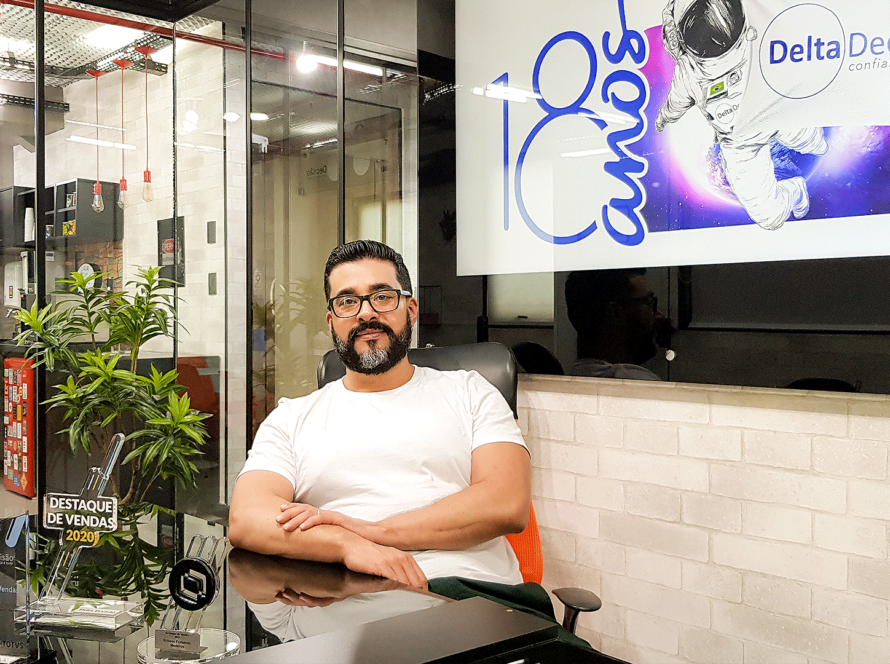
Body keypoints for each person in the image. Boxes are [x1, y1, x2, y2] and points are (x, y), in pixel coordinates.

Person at [228, 240, 532, 594]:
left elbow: (507, 503)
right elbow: (246, 517)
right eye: (347, 301)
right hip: (341, 595)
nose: (365, 313)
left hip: (465, 592)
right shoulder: (291, 419)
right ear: (331, 322)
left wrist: (370, 532)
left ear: (411, 310)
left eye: (382, 296)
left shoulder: (471, 393)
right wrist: (346, 545)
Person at [655, 0, 827, 231]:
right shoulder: (689, 71)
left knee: (815, 143)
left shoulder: (760, 36)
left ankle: (816, 144)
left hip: (776, 111)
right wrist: (665, 116)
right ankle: (795, 190)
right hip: (740, 142)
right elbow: (677, 101)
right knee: (769, 217)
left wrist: (665, 116)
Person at [564, 268, 663, 380]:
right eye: (648, 302)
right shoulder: (638, 382)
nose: (658, 314)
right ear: (615, 312)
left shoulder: (574, 377)